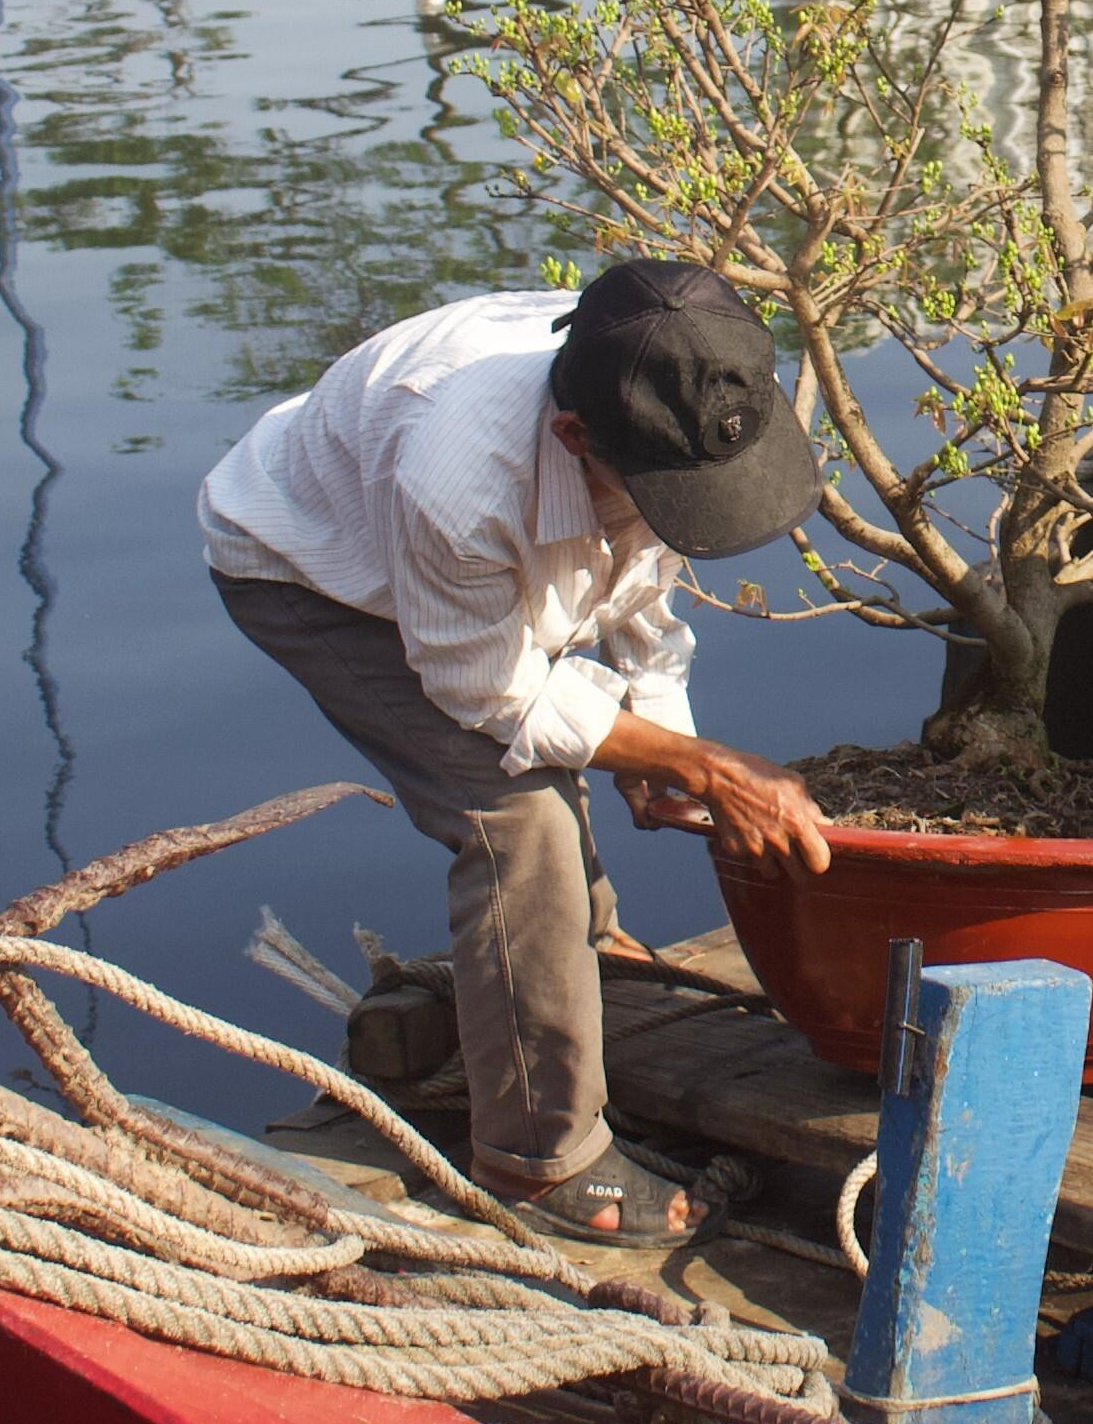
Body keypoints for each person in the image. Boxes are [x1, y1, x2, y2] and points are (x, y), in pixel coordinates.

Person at [201, 262, 832, 1247]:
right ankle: (538, 1154)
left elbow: (641, 593)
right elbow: (487, 694)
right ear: (575, 439)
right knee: (518, 815)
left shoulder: (664, 378)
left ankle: (580, 965)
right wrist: (694, 764)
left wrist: (664, 738)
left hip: (454, 562)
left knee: (563, 767)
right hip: (314, 568)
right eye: (664, 494)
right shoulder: (459, 477)